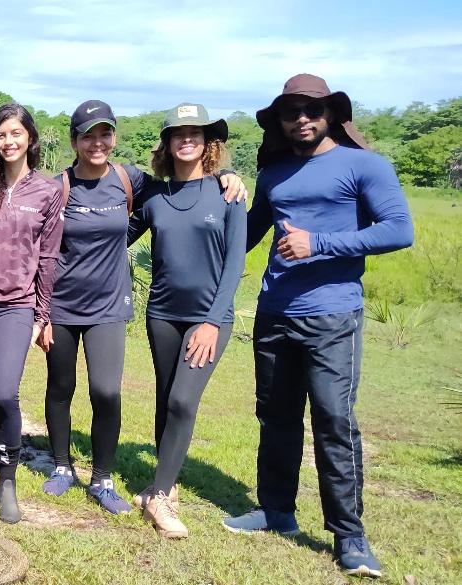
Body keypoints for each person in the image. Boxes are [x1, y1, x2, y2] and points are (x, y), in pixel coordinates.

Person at [223, 74, 413, 578]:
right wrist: (212, 198)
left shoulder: (364, 165)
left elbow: (399, 230)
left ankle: (350, 537)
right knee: (276, 417)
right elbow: (247, 233)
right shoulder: (275, 173)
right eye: (291, 112)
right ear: (280, 120)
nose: (301, 119)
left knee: (334, 421)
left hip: (333, 314)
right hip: (274, 312)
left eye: (311, 109)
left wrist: (320, 244)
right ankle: (276, 511)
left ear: (329, 113)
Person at [39, 100, 247, 515]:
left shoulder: (142, 182)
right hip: (84, 305)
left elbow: (232, 257)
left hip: (124, 308)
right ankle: (68, 468)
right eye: (88, 134)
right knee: (72, 387)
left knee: (115, 391)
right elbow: (58, 242)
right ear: (74, 140)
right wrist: (40, 306)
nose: (97, 142)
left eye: (105, 134)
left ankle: (113, 480)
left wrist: (229, 176)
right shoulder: (71, 186)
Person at [125, 103, 246, 538]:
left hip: (208, 318)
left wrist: (213, 321)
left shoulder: (228, 193)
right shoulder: (156, 197)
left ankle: (157, 496)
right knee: (165, 398)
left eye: (195, 133)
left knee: (182, 402)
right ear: (167, 143)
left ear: (208, 142)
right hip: (162, 313)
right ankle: (168, 486)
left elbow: (235, 263)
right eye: (178, 133)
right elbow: (114, 236)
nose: (187, 139)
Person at [0, 103, 65, 524]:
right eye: (1, 134)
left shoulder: (47, 190)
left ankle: (7, 478)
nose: (8, 141)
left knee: (4, 392)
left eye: (15, 134)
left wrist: (44, 313)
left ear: (30, 138)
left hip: (17, 306)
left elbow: (49, 256)